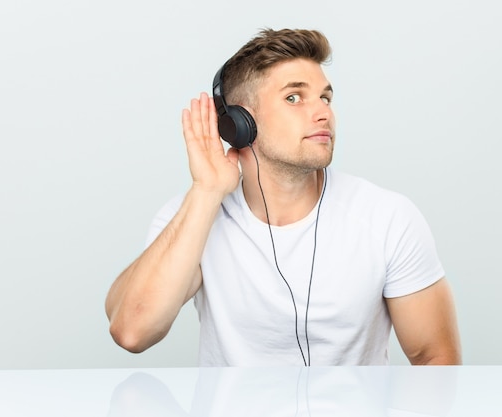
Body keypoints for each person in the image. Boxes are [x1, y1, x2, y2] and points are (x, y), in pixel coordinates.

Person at [105, 28, 461, 366]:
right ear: (240, 123)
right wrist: (206, 191)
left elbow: (436, 360)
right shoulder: (193, 218)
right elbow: (132, 332)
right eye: (294, 97)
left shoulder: (387, 218)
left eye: (325, 97)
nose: (323, 112)